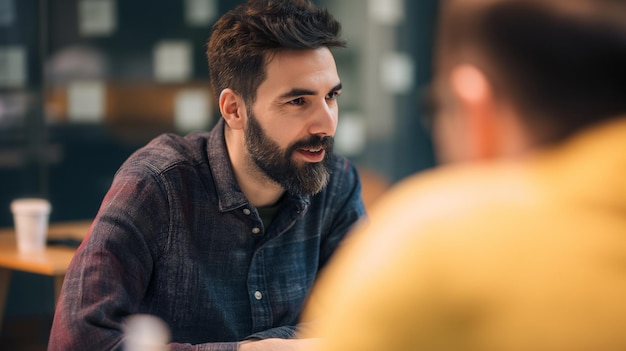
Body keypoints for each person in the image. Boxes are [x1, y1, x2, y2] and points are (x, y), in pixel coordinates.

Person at [300, 0, 626, 350]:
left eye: (437, 106)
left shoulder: (431, 245)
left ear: (475, 103)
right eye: (299, 101)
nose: (325, 124)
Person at [48, 0, 365, 350]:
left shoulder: (337, 183)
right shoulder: (157, 184)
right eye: (297, 101)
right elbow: (77, 340)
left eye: (331, 96)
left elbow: (369, 316)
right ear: (234, 110)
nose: (327, 123)